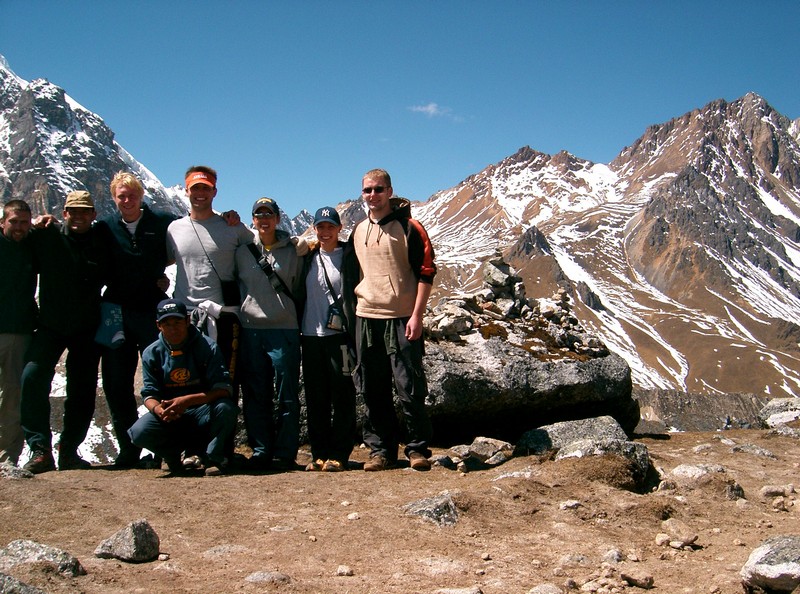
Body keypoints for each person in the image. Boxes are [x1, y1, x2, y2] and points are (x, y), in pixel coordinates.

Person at [21, 190, 114, 473]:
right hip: (50, 326)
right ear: (64, 213)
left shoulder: (102, 240)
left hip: (87, 328)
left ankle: (69, 450)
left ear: (94, 214)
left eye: (85, 211)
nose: (79, 216)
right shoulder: (46, 235)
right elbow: (14, 244)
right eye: (73, 210)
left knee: (83, 390)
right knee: (32, 378)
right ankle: (40, 449)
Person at [351, 169, 437, 472]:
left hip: (401, 318)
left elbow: (426, 271)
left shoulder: (410, 228)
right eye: (367, 191)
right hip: (366, 317)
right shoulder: (359, 230)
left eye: (378, 189)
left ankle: (416, 449)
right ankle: (381, 450)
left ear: (389, 191)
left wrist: (417, 315)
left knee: (408, 385)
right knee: (371, 388)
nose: (372, 196)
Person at [94, 172, 178, 468]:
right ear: (114, 197)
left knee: (162, 379)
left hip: (151, 312)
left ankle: (163, 447)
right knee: (116, 383)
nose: (127, 201)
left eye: (132, 195)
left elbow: (193, 228)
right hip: (116, 313)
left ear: (141, 196)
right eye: (121, 196)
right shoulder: (104, 226)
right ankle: (129, 448)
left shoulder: (163, 221)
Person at [127, 299, 238, 476]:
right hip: (170, 416)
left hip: (203, 411)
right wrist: (159, 410)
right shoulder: (151, 353)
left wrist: (187, 401)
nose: (173, 328)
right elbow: (149, 394)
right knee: (138, 432)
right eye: (167, 324)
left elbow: (223, 389)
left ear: (187, 321)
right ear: (158, 325)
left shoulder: (207, 347)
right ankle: (171, 457)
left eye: (177, 322)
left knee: (226, 408)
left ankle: (213, 457)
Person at [166, 166, 253, 390]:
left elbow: (261, 248)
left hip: (223, 318)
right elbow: (164, 261)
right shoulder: (174, 229)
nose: (200, 193)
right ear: (186, 191)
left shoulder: (233, 228)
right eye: (195, 188)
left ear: (215, 192)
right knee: (187, 383)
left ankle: (225, 425)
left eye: (206, 187)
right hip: (185, 317)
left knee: (225, 384)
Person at [235, 197, 305, 470]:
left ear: (277, 218)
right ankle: (261, 450)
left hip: (284, 329)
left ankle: (285, 452)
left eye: (269, 214)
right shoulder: (242, 251)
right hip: (251, 330)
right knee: (255, 393)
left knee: (287, 394)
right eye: (258, 215)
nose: (263, 219)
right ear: (252, 220)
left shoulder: (294, 250)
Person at [300, 207, 359, 472]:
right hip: (310, 335)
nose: (325, 232)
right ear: (314, 229)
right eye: (320, 227)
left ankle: (340, 453)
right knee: (315, 398)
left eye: (330, 227)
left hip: (339, 337)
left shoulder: (349, 256)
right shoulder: (308, 257)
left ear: (339, 229)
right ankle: (319, 454)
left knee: (343, 395)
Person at [0, 200, 37, 466]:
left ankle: (6, 456)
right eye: (14, 221)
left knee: (12, 394)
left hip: (19, 331)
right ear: (3, 221)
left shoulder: (33, 244)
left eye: (24, 222)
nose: (19, 227)